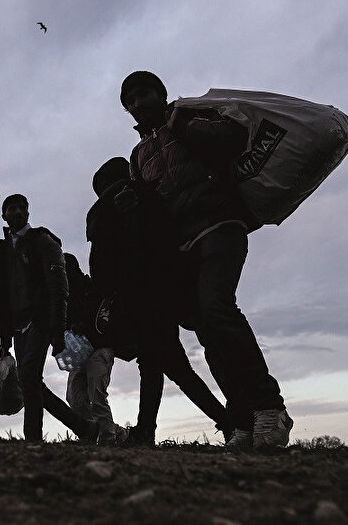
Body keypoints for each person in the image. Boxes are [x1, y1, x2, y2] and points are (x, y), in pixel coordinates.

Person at [118, 70, 292, 449]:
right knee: (207, 329)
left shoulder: (189, 116)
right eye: (129, 101)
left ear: (160, 94)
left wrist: (182, 124)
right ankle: (242, 420)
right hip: (183, 246)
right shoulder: (137, 157)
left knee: (217, 307)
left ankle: (269, 407)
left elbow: (232, 139)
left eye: (143, 94)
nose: (137, 104)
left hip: (220, 223)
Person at [87, 157, 232, 446]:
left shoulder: (101, 211)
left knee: (172, 368)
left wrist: (107, 294)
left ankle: (227, 422)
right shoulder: (151, 197)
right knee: (156, 366)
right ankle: (147, 430)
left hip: (134, 299)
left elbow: (99, 265)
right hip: (163, 295)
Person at [0, 194, 98, 443]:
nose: (17, 212)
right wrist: (4, 337)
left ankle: (32, 439)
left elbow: (58, 286)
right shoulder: (3, 248)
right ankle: (84, 428)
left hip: (40, 320)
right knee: (30, 382)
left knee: (29, 378)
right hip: (19, 325)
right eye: (12, 208)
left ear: (28, 214)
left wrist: (57, 327)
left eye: (22, 208)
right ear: (4, 215)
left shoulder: (43, 240)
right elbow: (1, 295)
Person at [62, 253, 128, 445]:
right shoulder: (65, 297)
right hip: (80, 353)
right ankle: (113, 433)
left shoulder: (93, 291)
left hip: (100, 349)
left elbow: (105, 320)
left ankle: (108, 438)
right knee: (75, 399)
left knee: (96, 396)